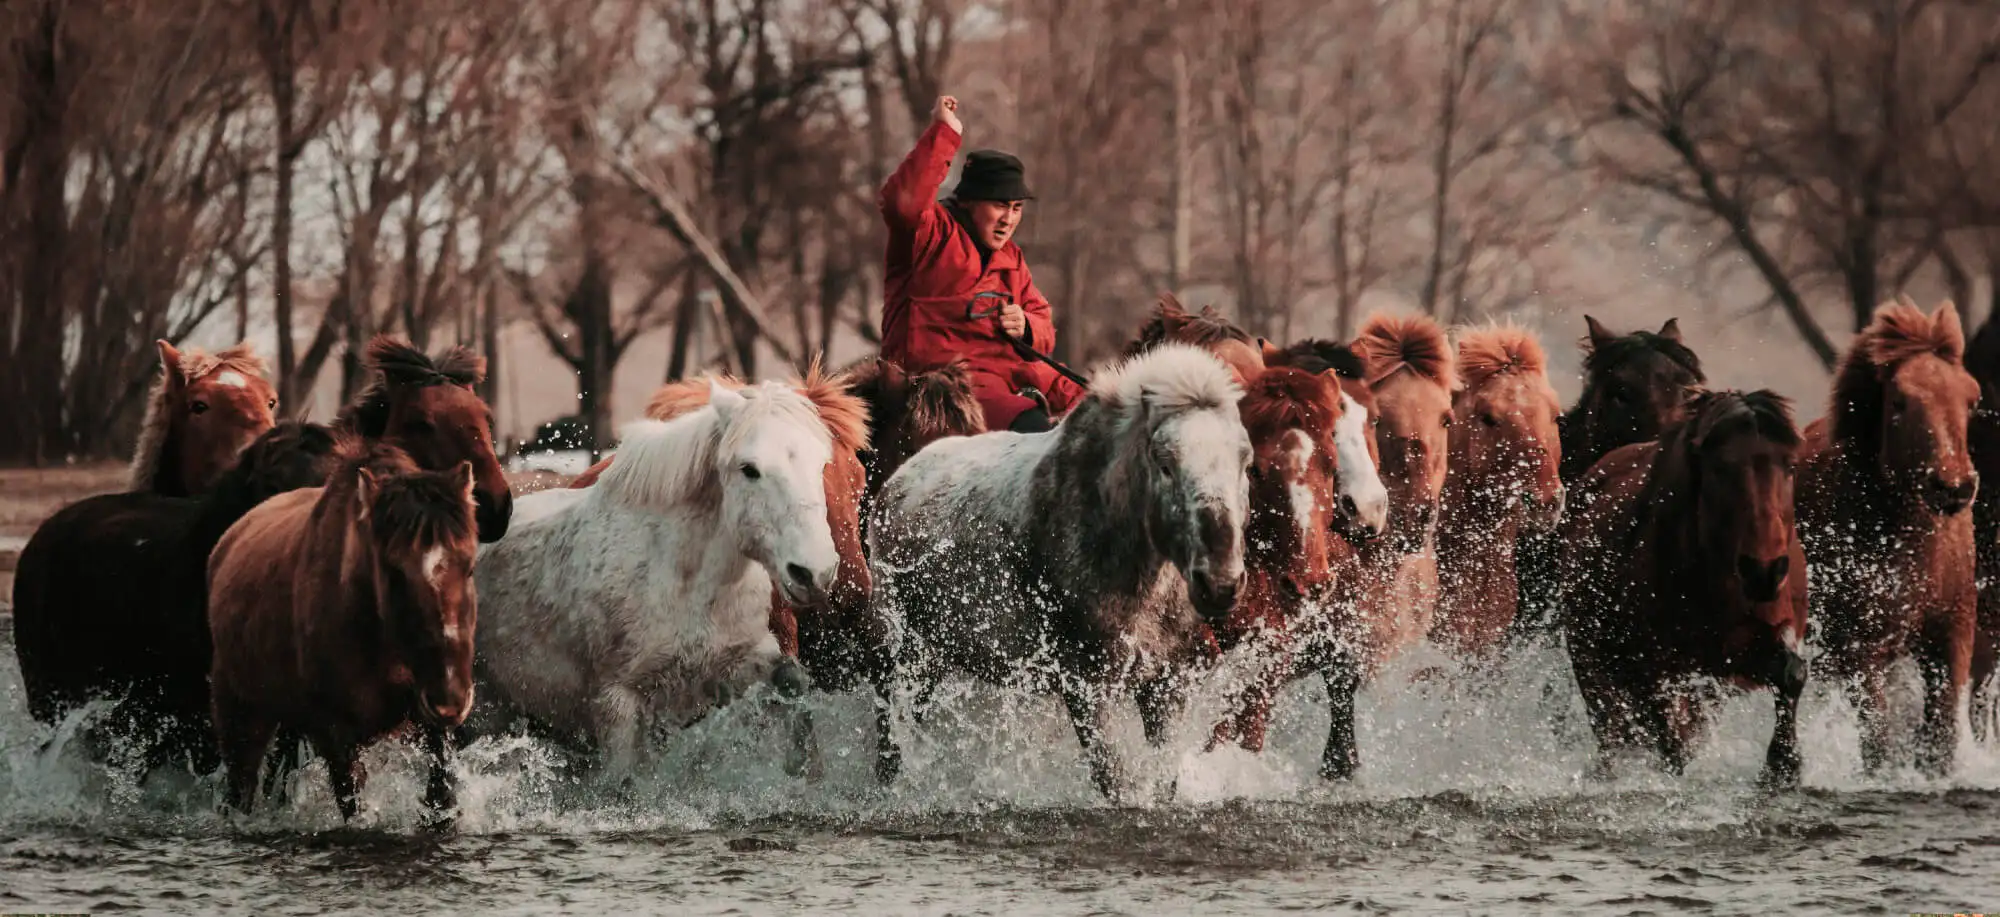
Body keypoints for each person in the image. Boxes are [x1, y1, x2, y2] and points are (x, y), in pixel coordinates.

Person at [877, 95, 1087, 433]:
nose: (1009, 219)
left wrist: (1027, 325)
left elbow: (1043, 325)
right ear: (969, 202)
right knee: (1032, 427)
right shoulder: (928, 234)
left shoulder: (1011, 258)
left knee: (1104, 410)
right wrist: (945, 132)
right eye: (1000, 206)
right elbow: (902, 203)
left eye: (1017, 208)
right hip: (943, 383)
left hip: (1010, 373)